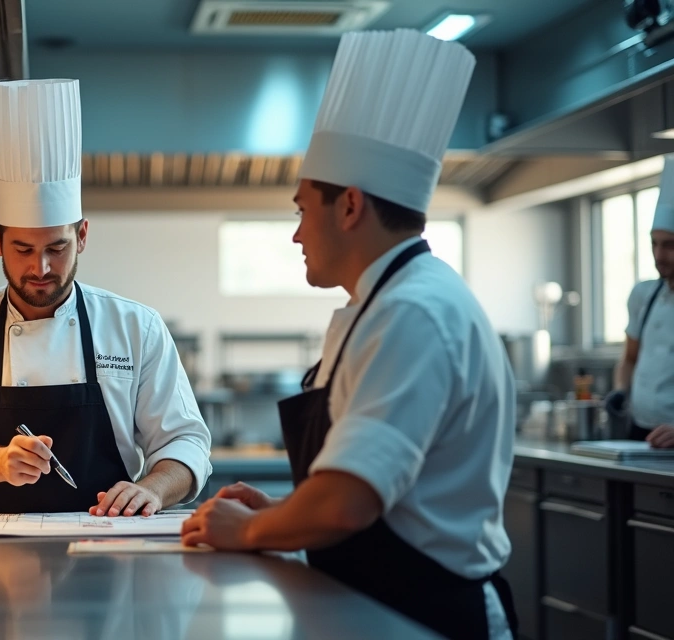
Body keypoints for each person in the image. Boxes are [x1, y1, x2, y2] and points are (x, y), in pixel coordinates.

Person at [182, 29, 518, 640]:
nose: (296, 234)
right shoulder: (379, 305)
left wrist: (252, 532)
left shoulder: (412, 313)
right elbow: (379, 498)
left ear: (350, 206)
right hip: (382, 604)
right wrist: (285, 515)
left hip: (430, 613)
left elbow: (346, 502)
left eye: (301, 210)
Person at [0, 79, 211, 515]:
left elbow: (185, 441)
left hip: (109, 549)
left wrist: (155, 488)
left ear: (82, 235)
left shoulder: (136, 327)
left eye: (57, 248)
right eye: (23, 249)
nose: (41, 268)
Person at [612, 156, 674, 449]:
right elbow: (629, 358)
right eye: (654, 243)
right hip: (640, 434)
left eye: (670, 245)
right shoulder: (644, 296)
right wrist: (621, 391)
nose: (659, 255)